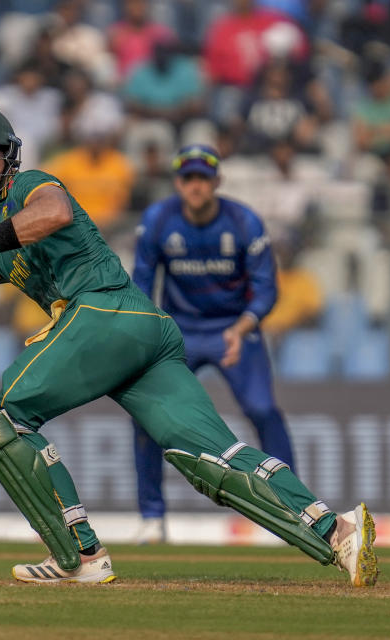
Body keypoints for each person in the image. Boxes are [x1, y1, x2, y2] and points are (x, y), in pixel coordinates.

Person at [0, 106, 378, 587]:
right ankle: (338, 531)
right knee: (209, 460)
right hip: (141, 332)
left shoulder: (29, 188)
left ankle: (81, 555)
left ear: (9, 157)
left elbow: (54, 212)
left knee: (2, 417)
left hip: (104, 311)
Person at [129, 144, 299, 543]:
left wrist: (243, 327)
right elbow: (140, 283)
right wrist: (149, 331)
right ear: (177, 182)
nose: (195, 186)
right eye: (188, 178)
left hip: (232, 330)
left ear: (216, 182)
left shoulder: (244, 222)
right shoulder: (158, 220)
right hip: (179, 333)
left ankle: (294, 510)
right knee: (145, 418)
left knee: (263, 410)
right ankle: (152, 517)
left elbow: (266, 289)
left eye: (203, 179)